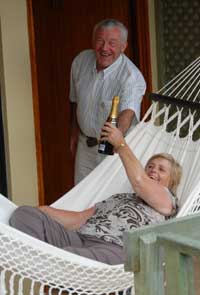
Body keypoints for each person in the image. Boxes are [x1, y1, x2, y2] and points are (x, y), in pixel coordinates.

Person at [9, 123, 182, 265]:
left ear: (171, 180)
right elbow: (79, 219)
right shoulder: (119, 197)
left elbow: (139, 181)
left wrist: (121, 144)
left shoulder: (167, 202)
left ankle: (48, 263)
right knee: (25, 214)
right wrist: (45, 211)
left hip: (115, 249)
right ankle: (46, 262)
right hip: (80, 238)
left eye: (161, 169)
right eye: (150, 166)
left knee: (69, 258)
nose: (153, 170)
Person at [70, 18, 146, 184]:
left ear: (123, 46)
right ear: (93, 41)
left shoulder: (131, 77)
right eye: (99, 41)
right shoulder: (80, 61)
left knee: (108, 201)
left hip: (113, 149)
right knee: (80, 198)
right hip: (85, 145)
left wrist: (114, 141)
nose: (104, 48)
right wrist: (74, 134)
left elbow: (126, 115)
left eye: (112, 43)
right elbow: (75, 101)